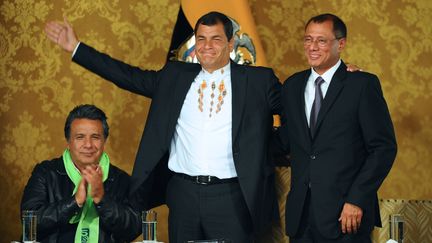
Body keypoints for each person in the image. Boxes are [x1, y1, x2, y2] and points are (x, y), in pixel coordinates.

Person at [45, 12, 281, 242]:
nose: (207, 45)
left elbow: (295, 115)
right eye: (201, 38)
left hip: (232, 197)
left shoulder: (258, 81)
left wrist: (271, 148)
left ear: (230, 43)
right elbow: (127, 76)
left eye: (216, 39)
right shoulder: (175, 76)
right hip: (183, 195)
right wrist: (76, 47)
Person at [276, 13, 397, 242]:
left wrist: (357, 199)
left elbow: (383, 148)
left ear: (340, 44)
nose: (312, 47)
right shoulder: (292, 86)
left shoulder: (361, 85)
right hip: (302, 217)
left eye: (321, 41)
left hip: (346, 216)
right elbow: (288, 141)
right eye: (308, 39)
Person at [21, 104, 140, 243]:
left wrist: (101, 199)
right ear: (68, 142)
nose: (88, 145)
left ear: (104, 141)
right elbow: (29, 223)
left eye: (95, 137)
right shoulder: (45, 172)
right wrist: (75, 202)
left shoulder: (122, 179)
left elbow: (133, 229)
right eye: (80, 137)